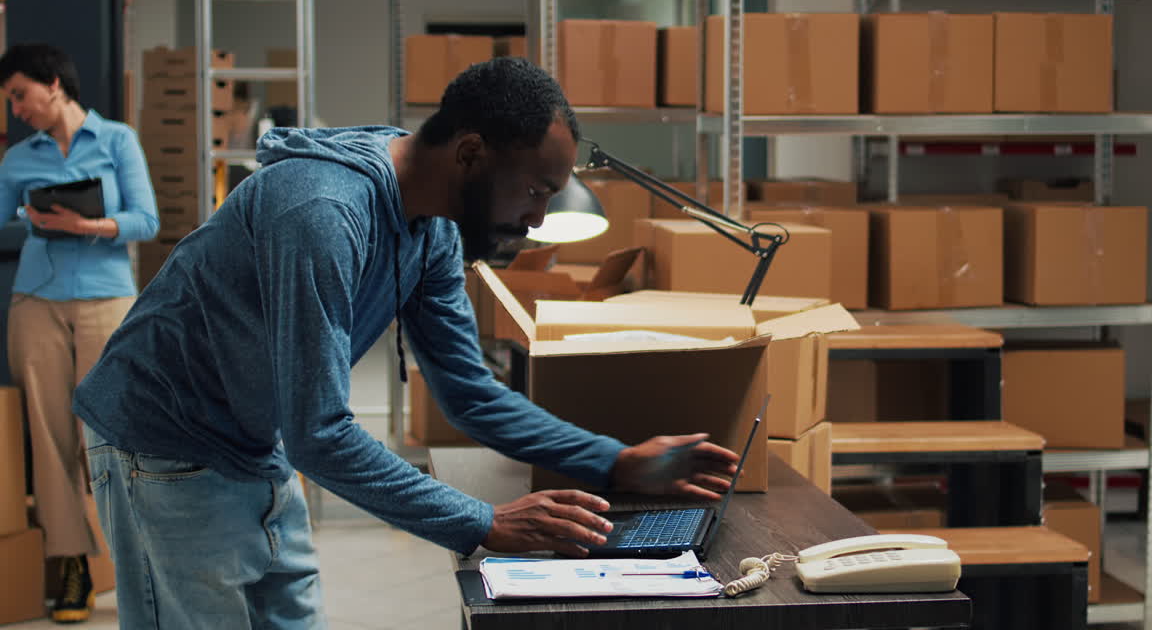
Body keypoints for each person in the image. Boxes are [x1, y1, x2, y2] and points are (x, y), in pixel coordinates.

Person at [74, 56, 739, 628]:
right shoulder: (323, 212)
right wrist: (482, 522)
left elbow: (469, 394)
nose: (537, 219)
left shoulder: (432, 230)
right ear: (471, 154)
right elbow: (321, 433)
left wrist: (613, 461)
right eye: (535, 190)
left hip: (253, 437)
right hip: (163, 444)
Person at [0, 43, 159, 624]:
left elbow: (147, 219)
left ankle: (136, 560)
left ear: (53, 85)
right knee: (48, 438)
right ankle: (70, 567)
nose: (15, 108)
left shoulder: (117, 141)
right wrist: (31, 219)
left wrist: (85, 224)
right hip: (36, 302)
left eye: (20, 94)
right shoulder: (17, 159)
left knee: (110, 434)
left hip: (107, 301)